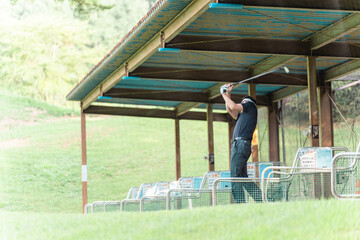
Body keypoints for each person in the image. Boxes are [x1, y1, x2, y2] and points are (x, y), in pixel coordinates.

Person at [220, 84, 262, 203]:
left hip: (240, 144)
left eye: (243, 102)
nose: (242, 104)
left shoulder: (250, 105)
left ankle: (240, 204)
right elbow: (230, 108)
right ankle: (261, 199)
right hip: (241, 145)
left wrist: (223, 93)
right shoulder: (244, 115)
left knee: (235, 176)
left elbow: (233, 105)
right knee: (242, 177)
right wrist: (228, 93)